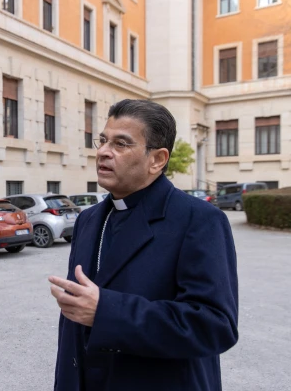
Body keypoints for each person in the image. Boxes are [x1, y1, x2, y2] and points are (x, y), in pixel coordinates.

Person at [49, 99, 238, 390]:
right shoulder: (88, 219)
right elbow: (76, 319)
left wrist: (107, 312)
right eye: (103, 140)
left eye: (121, 143)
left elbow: (214, 326)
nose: (102, 152)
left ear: (157, 159)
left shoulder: (199, 220)